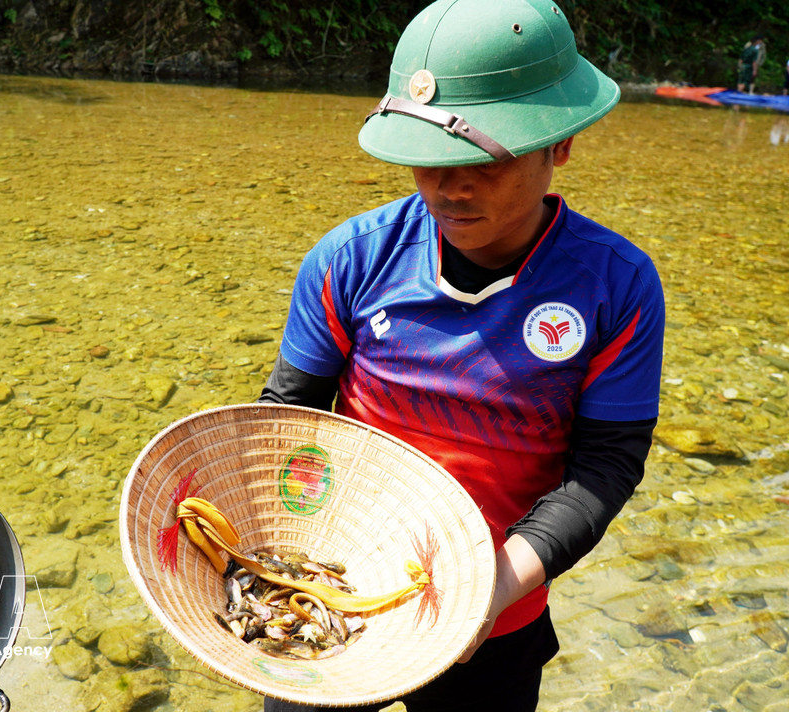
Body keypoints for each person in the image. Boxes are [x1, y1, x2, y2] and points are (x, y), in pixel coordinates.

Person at [257, 0, 665, 710]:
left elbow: (606, 465)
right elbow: (288, 416)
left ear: (560, 145)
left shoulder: (616, 287)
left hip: (499, 611)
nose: (449, 187)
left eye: (483, 159)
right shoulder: (350, 260)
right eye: (429, 160)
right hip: (334, 589)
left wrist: (497, 583)